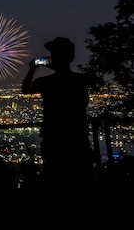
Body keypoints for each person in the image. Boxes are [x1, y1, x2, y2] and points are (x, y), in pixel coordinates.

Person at [21, 37, 95, 191]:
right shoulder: (81, 80)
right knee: (81, 179)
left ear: (52, 59)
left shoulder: (45, 82)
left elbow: (25, 89)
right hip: (77, 136)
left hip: (54, 137)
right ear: (72, 57)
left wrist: (32, 68)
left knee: (55, 181)